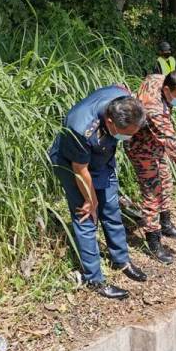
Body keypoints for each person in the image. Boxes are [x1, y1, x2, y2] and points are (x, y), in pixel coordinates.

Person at [49, 86, 148, 300]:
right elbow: (80, 170)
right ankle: (94, 279)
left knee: (111, 209)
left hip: (102, 156)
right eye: (128, 134)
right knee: (86, 216)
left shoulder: (123, 100)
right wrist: (91, 200)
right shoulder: (80, 127)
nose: (130, 138)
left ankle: (121, 261)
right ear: (111, 122)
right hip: (72, 164)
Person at [125, 71, 176, 264]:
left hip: (155, 143)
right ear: (166, 90)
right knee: (152, 194)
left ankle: (166, 224)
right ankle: (153, 242)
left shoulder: (159, 78)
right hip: (140, 148)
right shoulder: (154, 109)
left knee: (166, 181)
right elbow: (174, 145)